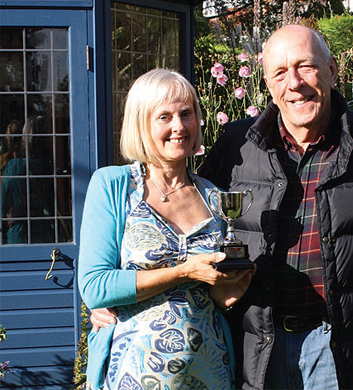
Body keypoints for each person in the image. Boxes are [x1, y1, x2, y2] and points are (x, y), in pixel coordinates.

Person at [91, 25, 353, 390]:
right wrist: (109, 297)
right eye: (280, 72)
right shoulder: (237, 145)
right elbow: (180, 225)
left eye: (306, 66)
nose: (294, 83)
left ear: (333, 70)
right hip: (257, 347)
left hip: (336, 350)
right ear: (267, 83)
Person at [78, 68, 254, 390]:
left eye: (186, 114)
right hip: (130, 376)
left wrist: (226, 291)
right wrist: (184, 272)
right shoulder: (113, 186)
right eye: (164, 116)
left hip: (210, 374)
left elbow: (214, 293)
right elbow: (94, 286)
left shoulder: (214, 196)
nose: (179, 127)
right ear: (142, 124)